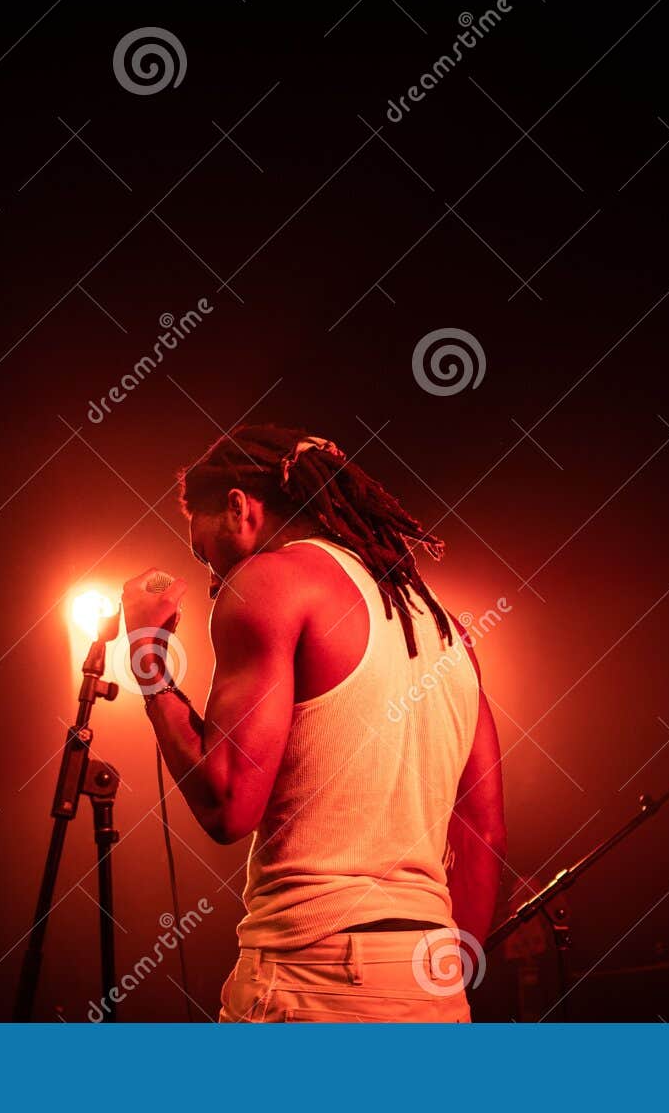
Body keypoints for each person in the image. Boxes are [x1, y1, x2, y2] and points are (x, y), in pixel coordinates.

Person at [119, 425, 506, 1022]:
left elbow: (228, 804)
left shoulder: (273, 582)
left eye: (204, 550)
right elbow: (483, 832)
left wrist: (148, 656)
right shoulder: (445, 630)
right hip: (432, 988)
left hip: (309, 980)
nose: (211, 574)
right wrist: (446, 977)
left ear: (239, 507)